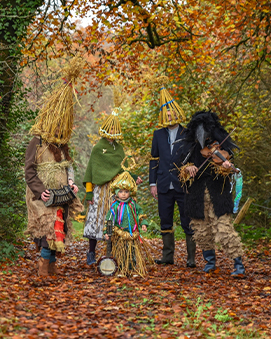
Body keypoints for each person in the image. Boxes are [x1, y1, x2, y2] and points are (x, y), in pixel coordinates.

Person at [25, 59, 84, 277]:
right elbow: (29, 171)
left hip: (61, 197)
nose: (59, 128)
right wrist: (41, 191)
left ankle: (50, 267)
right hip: (42, 196)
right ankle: (43, 268)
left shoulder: (63, 145)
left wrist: (71, 183)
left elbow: (68, 168)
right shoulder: (37, 142)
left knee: (57, 231)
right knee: (47, 230)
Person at [177, 111, 245, 277]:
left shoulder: (221, 148)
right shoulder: (190, 149)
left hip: (219, 196)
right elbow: (180, 172)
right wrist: (187, 169)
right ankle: (210, 262)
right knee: (202, 231)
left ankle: (238, 264)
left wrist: (226, 166)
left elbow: (227, 166)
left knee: (224, 229)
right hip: (197, 197)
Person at [83, 90, 142, 265]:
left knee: (116, 221)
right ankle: (91, 253)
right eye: (110, 129)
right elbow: (91, 172)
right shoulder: (97, 148)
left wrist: (133, 177)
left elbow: (121, 168)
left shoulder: (119, 149)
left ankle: (115, 255)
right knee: (96, 221)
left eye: (114, 129)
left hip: (115, 191)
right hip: (99, 191)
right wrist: (88, 193)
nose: (111, 132)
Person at [149, 86, 195, 267]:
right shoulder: (158, 134)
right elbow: (154, 159)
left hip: (183, 185)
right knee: (165, 219)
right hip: (163, 184)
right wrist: (153, 183)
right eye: (166, 116)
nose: (169, 118)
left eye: (171, 115)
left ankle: (191, 258)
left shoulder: (187, 134)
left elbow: (194, 157)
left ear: (177, 114)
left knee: (187, 220)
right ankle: (168, 256)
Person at [104, 171, 153, 276]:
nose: (123, 194)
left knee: (132, 252)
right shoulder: (115, 206)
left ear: (130, 193)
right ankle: (121, 270)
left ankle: (132, 269)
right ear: (116, 193)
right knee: (120, 253)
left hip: (132, 234)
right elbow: (109, 220)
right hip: (119, 234)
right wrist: (107, 232)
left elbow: (140, 214)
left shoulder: (133, 204)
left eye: (126, 192)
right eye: (121, 191)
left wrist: (143, 223)